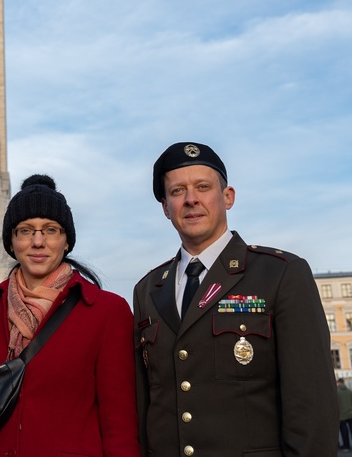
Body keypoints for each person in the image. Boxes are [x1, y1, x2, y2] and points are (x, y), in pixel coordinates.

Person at [133, 142, 338, 456]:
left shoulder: (280, 274)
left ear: (227, 197)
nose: (191, 200)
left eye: (203, 187)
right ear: (165, 208)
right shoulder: (147, 289)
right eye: (177, 192)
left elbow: (312, 406)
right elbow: (146, 402)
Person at [0, 174, 140, 456]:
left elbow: (119, 429)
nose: (38, 242)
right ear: (11, 242)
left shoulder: (107, 312)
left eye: (50, 230)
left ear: (66, 241)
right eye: (25, 230)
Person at [339, 379, 352, 452]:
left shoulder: (338, 392)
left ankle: (346, 445)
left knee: (344, 431)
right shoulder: (349, 391)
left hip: (341, 415)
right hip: (349, 413)